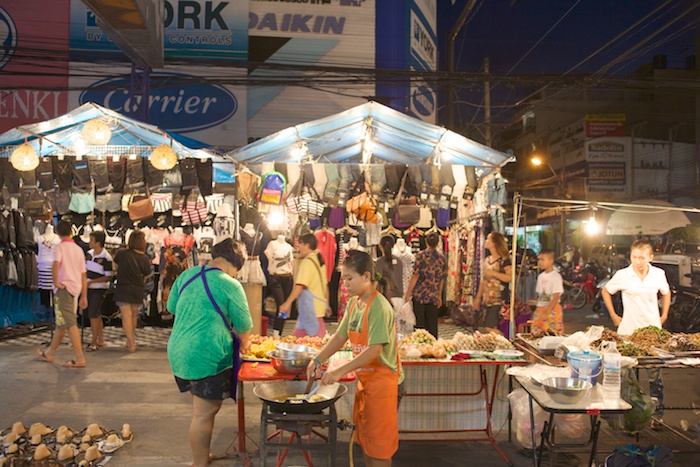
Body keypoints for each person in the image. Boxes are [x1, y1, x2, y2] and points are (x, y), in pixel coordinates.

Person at [308, 250, 403, 466]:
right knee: (366, 443)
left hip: (383, 386)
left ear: (367, 277)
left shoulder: (379, 306)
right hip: (366, 384)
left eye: (349, 278)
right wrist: (317, 359)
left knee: (379, 449)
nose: (345, 285)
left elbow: (374, 350)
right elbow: (341, 336)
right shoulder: (354, 304)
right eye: (343, 279)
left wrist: (339, 371)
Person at [167, 238, 252, 467]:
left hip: (178, 350)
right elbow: (245, 329)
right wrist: (245, 346)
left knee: (200, 409)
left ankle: (202, 457)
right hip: (206, 354)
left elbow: (172, 308)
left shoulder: (187, 275)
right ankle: (199, 463)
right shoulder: (229, 284)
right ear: (235, 264)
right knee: (203, 414)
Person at [602, 239, 670, 429]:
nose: (638, 261)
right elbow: (606, 291)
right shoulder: (623, 275)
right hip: (627, 334)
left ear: (650, 257)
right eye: (634, 257)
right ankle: (622, 415)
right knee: (623, 376)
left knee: (654, 376)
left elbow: (666, 293)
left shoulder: (658, 274)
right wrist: (614, 316)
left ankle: (657, 415)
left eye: (641, 257)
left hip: (652, 334)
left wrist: (664, 315)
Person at [35, 220, 88, 368]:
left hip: (64, 288)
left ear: (58, 233)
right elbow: (84, 274)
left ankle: (79, 357)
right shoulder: (78, 249)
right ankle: (50, 352)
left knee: (69, 323)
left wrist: (56, 282)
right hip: (75, 288)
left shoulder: (60, 247)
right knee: (63, 323)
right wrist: (84, 295)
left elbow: (56, 264)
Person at [279, 233, 330, 338]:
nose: (299, 247)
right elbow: (325, 286)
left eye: (300, 244)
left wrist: (287, 303)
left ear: (307, 245)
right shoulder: (318, 260)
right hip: (313, 308)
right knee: (297, 338)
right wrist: (327, 304)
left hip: (311, 308)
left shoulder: (307, 262)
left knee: (318, 341)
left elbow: (300, 285)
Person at [113, 230, 151, 352]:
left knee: (126, 316)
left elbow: (115, 266)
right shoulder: (145, 258)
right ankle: (130, 340)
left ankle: (131, 343)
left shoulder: (122, 254)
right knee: (133, 315)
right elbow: (145, 276)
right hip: (137, 289)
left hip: (124, 288)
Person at [403, 232, 446, 338]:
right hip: (433, 294)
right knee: (432, 324)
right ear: (437, 242)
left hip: (419, 294)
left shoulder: (420, 256)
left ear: (426, 241)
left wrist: (408, 293)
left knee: (419, 324)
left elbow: (415, 276)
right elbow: (441, 279)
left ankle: (420, 346)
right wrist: (439, 295)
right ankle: (433, 346)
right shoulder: (441, 258)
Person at [472, 231, 512, 331]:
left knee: (489, 327)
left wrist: (494, 274)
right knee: (488, 326)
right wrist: (478, 298)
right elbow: (483, 280)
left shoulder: (504, 260)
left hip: (498, 299)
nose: (485, 241)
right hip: (487, 299)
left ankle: (505, 342)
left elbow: (509, 278)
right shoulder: (487, 260)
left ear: (494, 243)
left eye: (488, 239)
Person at [85, 231, 114, 351]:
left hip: (99, 288)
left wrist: (92, 281)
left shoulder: (106, 257)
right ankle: (100, 338)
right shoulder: (89, 254)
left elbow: (108, 276)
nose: (89, 243)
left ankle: (94, 342)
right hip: (88, 288)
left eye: (91, 240)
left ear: (98, 242)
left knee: (93, 313)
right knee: (95, 313)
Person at [532, 249, 564, 334]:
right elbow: (539, 295)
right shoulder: (540, 277)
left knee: (552, 335)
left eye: (543, 259)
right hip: (540, 309)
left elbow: (556, 297)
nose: (540, 262)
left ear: (551, 261)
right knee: (537, 333)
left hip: (552, 309)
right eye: (539, 259)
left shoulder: (556, 276)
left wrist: (547, 311)